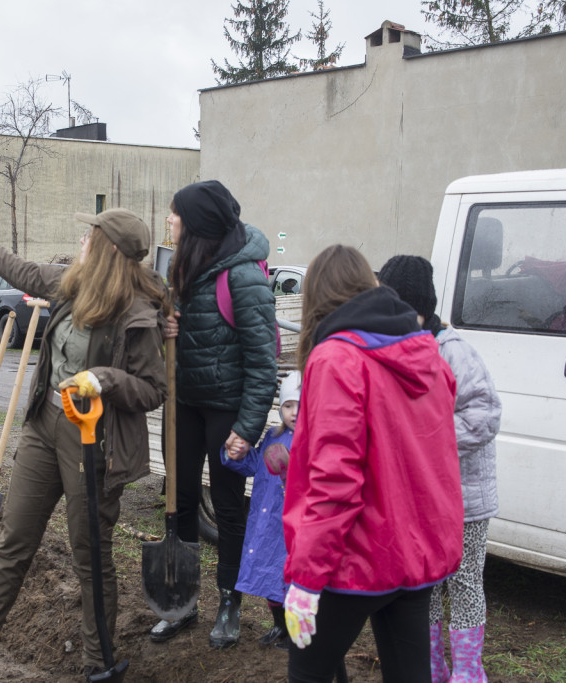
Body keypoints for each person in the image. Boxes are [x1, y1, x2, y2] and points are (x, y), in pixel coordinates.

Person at [0, 209, 167, 682]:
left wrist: (103, 379)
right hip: (45, 424)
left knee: (91, 555)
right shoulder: (72, 282)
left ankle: (98, 664)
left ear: (108, 250)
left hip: (93, 441)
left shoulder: (137, 313)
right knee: (14, 540)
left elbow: (153, 388)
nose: (82, 240)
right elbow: (22, 270)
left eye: (91, 235)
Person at [281, 244, 463, 683]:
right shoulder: (427, 353)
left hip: (356, 555)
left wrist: (306, 580)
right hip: (414, 553)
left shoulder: (336, 358)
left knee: (308, 673)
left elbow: (335, 481)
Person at [156, 179, 278, 649]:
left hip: (226, 409)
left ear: (198, 224)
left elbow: (263, 363)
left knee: (227, 509)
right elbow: (192, 331)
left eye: (175, 214)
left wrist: (246, 431)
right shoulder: (185, 266)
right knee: (180, 500)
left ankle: (229, 602)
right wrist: (172, 327)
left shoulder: (243, 276)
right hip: (185, 402)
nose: (169, 220)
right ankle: (182, 600)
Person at [378, 254, 502, 683]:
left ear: (421, 308)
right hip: (421, 501)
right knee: (423, 584)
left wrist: (428, 443)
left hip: (464, 500)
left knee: (464, 583)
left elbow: (484, 415)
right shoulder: (397, 348)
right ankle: (430, 668)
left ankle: (468, 673)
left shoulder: (455, 352)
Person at [222, 370, 301, 652]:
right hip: (265, 520)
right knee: (269, 576)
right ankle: (280, 625)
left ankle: (295, 634)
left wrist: (291, 474)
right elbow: (254, 464)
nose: (293, 412)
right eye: (288, 406)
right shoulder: (272, 434)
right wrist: (236, 454)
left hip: (290, 524)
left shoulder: (312, 441)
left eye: (300, 406)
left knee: (289, 578)